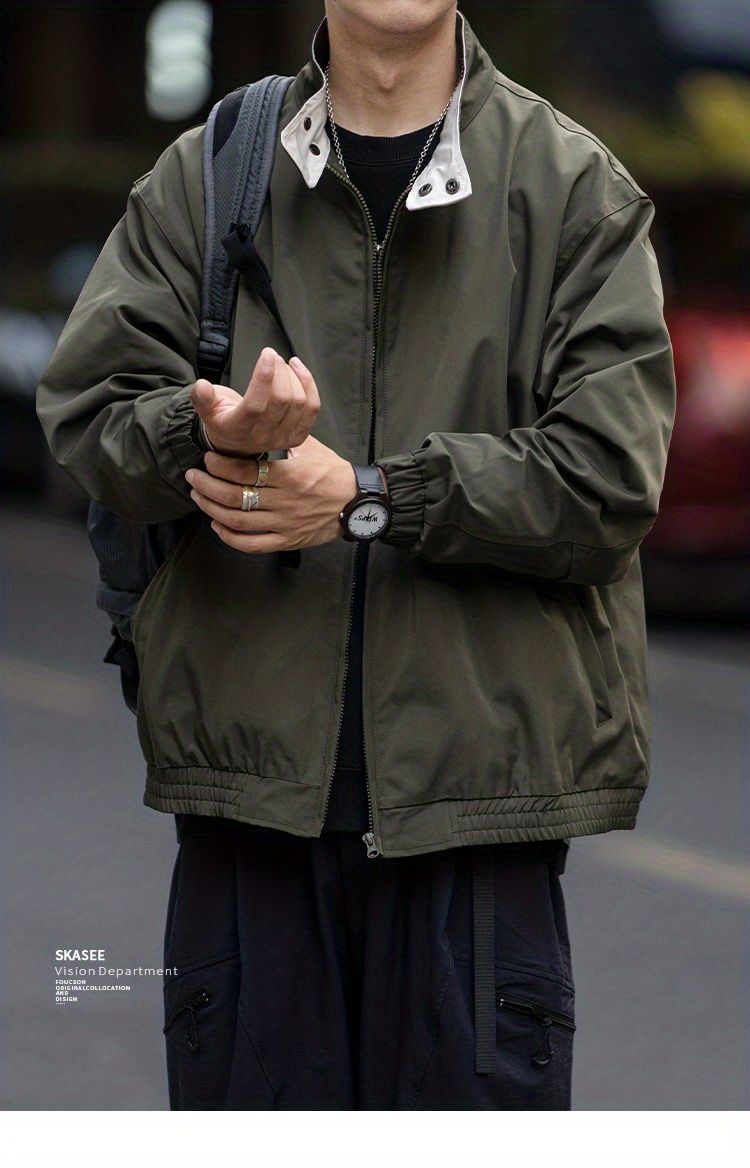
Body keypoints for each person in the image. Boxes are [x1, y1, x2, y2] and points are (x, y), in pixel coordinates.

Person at [36, 1, 676, 1110]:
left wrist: (373, 496)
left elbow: (609, 478)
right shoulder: (209, 174)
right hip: (249, 807)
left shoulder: (574, 187)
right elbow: (90, 417)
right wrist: (209, 428)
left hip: (479, 816)